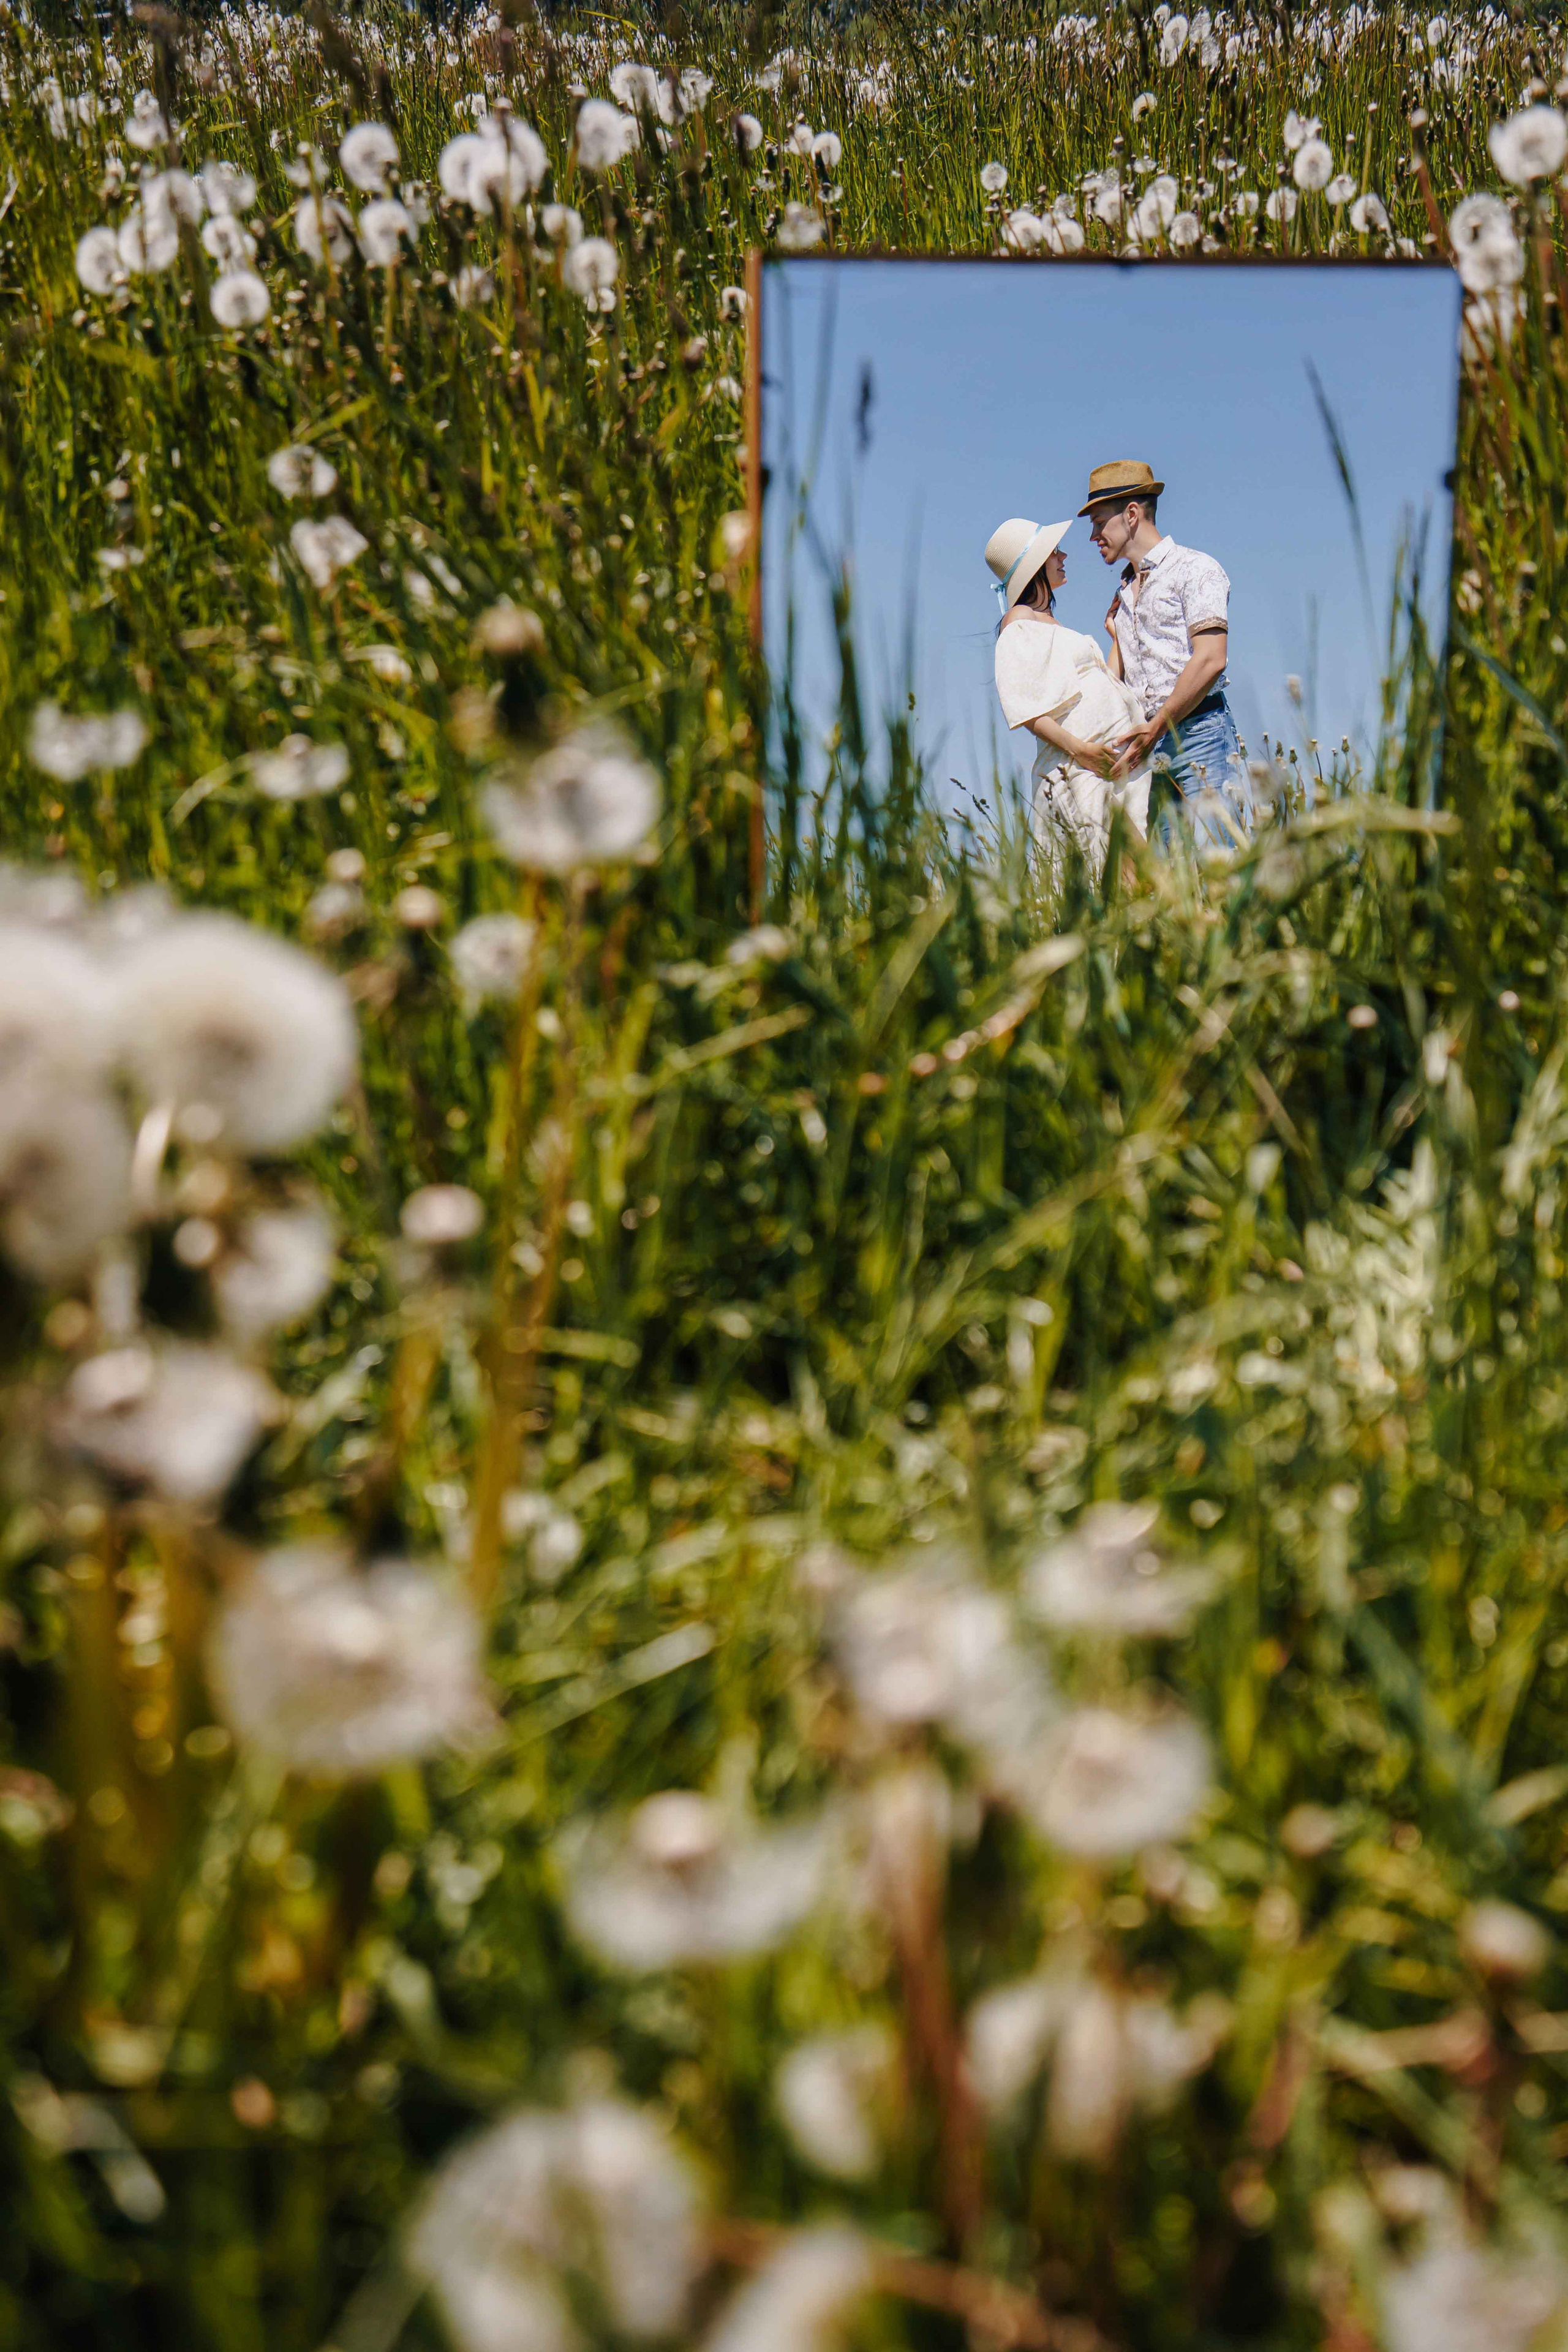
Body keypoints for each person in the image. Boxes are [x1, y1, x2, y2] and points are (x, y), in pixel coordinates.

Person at [1077, 460, 1253, 853]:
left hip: (1200, 735)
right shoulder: (1121, 596)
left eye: (1099, 521)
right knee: (1167, 889)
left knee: (1219, 864)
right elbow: (1116, 685)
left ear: (1133, 515)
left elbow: (1211, 660)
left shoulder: (1196, 569)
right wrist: (1118, 636)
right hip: (1149, 751)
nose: (1093, 536)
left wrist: (1155, 728)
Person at [984, 514, 1152, 881]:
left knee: (1132, 879)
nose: (1064, 556)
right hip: (1080, 766)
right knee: (1111, 877)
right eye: (1054, 551)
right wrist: (1080, 750)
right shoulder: (1018, 619)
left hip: (1104, 765)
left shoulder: (1051, 625)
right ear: (1035, 567)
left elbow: (1104, 684)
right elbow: (1027, 710)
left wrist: (1115, 637)